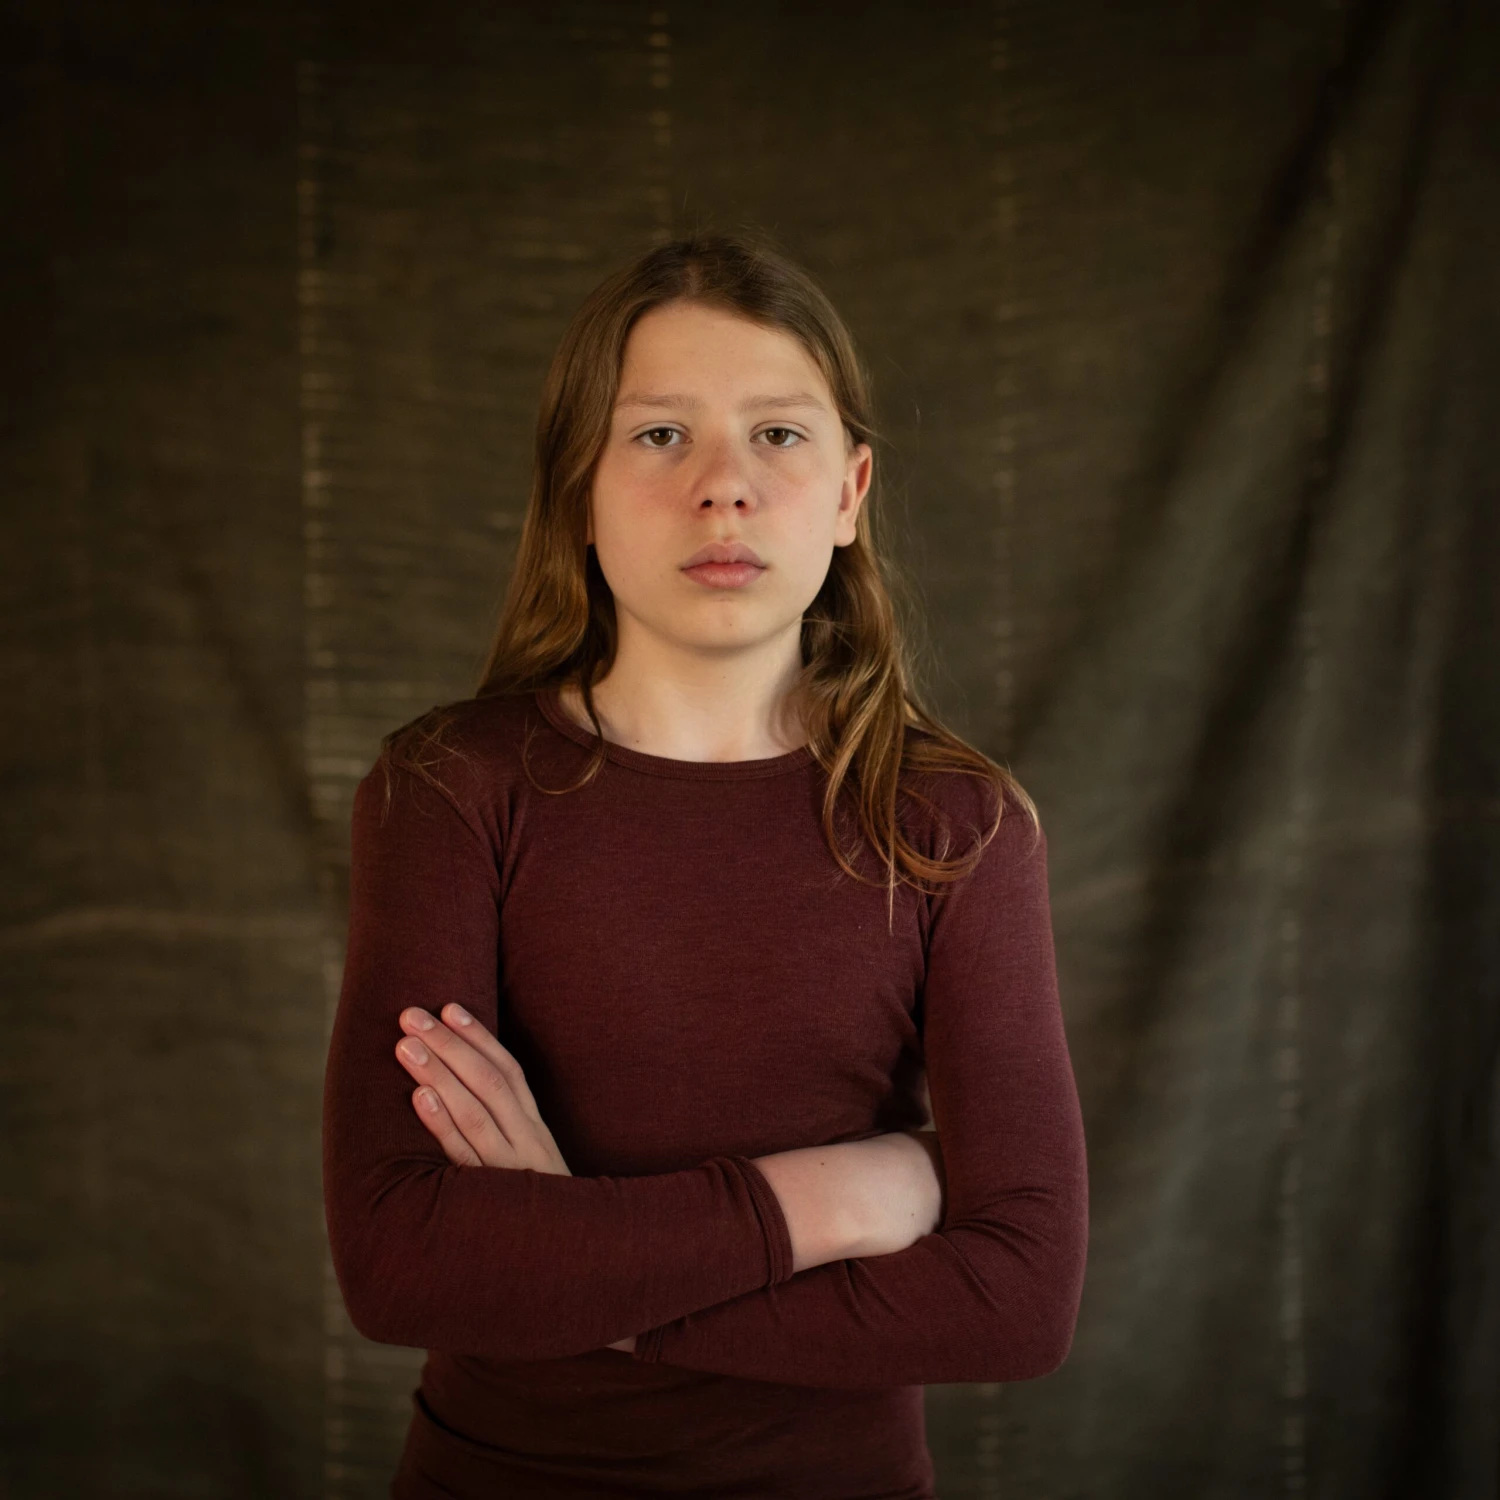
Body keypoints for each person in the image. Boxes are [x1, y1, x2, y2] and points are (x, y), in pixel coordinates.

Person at [321, 229, 1089, 1500]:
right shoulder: (449, 790)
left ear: (850, 493)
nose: (723, 487)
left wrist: (581, 1276)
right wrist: (830, 1202)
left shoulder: (956, 824)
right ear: (578, 491)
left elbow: (1018, 1302)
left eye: (777, 434)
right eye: (660, 434)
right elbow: (401, 1262)